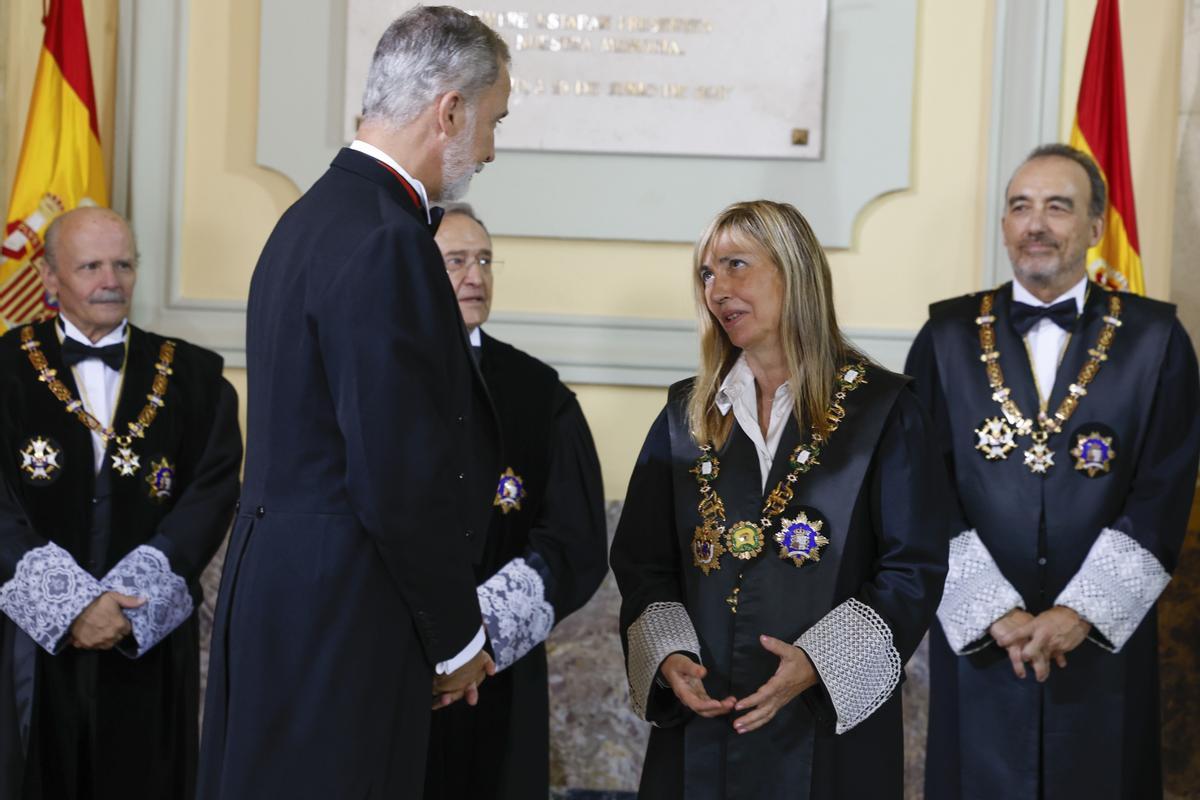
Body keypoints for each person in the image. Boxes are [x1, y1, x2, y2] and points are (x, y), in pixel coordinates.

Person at [197, 8, 509, 798]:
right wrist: (457, 638)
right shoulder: (388, 238)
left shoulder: (306, 220)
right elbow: (396, 473)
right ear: (449, 112)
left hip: (277, 595)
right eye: (494, 120)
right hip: (343, 614)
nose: (494, 148)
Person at [610, 200, 948, 799]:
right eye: (707, 275)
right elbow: (642, 560)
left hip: (828, 727)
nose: (718, 290)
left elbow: (912, 568)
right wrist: (668, 655)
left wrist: (821, 663)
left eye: (736, 265)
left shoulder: (884, 410)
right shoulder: (685, 414)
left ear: (794, 274)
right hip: (704, 722)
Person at [908, 144, 1200, 800]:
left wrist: (1079, 612)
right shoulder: (946, 335)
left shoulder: (1157, 341)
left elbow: (1164, 489)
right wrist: (994, 612)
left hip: (1100, 649)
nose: (1035, 223)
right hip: (981, 645)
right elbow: (918, 485)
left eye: (1058, 206)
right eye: (1020, 207)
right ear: (1006, 225)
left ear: (1097, 227)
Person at [0, 207, 242, 799]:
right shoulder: (3, 368)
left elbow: (211, 492)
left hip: (148, 643)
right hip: (31, 642)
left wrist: (124, 604)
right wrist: (70, 605)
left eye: (123, 264)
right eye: (90, 266)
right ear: (50, 278)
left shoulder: (198, 376)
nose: (110, 279)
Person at [422, 203, 608, 799]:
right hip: (394, 668)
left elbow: (575, 538)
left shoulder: (539, 394)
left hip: (499, 672)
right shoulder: (374, 374)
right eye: (455, 261)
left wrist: (477, 639)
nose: (474, 275)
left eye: (483, 260)